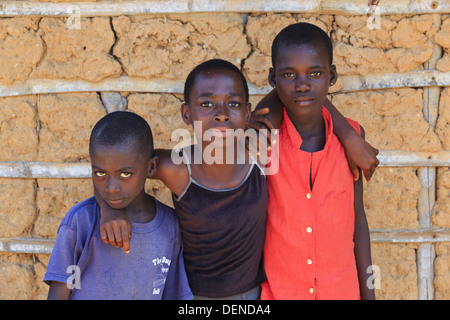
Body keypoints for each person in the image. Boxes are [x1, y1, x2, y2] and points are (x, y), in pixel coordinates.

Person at [98, 59, 378, 300]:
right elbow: (114, 166)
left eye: (232, 104)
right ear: (187, 113)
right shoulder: (178, 168)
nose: (220, 114)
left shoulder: (259, 154)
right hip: (192, 294)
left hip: (253, 295)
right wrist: (110, 209)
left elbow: (292, 91)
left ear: (247, 113)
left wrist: (348, 134)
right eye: (206, 104)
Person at [260, 22, 375, 300]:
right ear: (273, 79)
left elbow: (357, 219)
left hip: (342, 291)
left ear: (331, 76)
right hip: (279, 293)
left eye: (315, 73)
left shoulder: (352, 137)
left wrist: (369, 296)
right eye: (289, 74)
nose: (302, 85)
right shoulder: (262, 140)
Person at [43, 111, 193, 300]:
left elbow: (173, 294)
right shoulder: (81, 221)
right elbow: (58, 294)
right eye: (100, 174)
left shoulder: (170, 226)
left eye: (125, 174)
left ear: (151, 167)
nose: (111, 188)